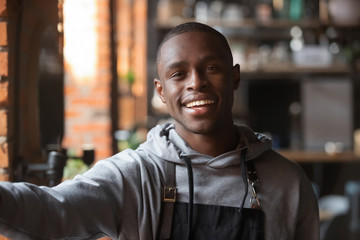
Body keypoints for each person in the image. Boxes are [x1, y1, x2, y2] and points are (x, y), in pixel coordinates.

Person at [0, 22, 319, 240]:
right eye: (179, 73)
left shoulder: (288, 183)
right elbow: (52, 211)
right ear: (161, 90)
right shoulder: (134, 176)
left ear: (234, 77)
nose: (196, 82)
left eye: (211, 68)